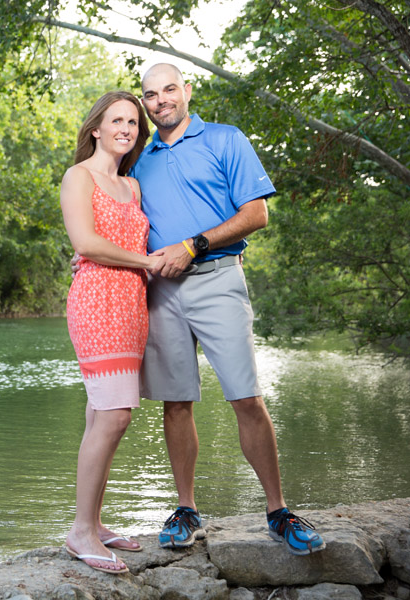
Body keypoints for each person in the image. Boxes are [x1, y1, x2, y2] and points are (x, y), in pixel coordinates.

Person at [131, 63, 325, 556]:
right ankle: (187, 508)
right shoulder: (139, 158)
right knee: (175, 402)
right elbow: (118, 215)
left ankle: (278, 510)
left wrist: (193, 245)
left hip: (218, 279)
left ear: (186, 91)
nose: (160, 101)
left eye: (169, 89)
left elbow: (256, 213)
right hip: (161, 289)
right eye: (150, 95)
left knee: (246, 396)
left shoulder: (224, 139)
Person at [59, 90, 156, 575]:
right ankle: (79, 532)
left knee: (103, 416)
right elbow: (86, 242)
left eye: (133, 123)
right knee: (115, 416)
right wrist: (145, 261)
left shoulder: (133, 187)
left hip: (133, 306)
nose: (126, 128)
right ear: (96, 128)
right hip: (97, 302)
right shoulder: (79, 177)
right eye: (116, 120)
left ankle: (92, 523)